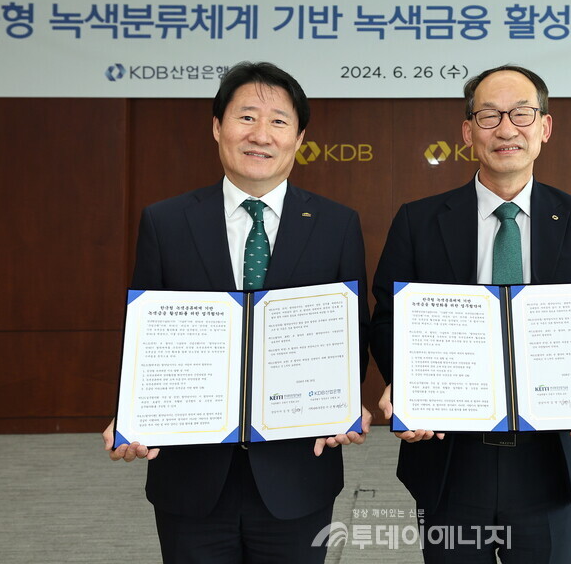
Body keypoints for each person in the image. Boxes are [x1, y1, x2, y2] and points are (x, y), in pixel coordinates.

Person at [370, 65, 571, 563]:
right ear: (467, 131)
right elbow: (388, 314)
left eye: (521, 113)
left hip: (549, 456)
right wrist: (406, 381)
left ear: (544, 126)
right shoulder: (419, 220)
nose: (506, 128)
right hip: (450, 453)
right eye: (489, 115)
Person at [102, 61, 372, 564]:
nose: (261, 135)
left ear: (299, 136)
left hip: (298, 471)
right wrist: (132, 412)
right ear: (217, 127)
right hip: (191, 474)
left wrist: (345, 402)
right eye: (246, 117)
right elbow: (145, 336)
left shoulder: (337, 225)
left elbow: (350, 338)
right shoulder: (166, 222)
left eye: (278, 121)